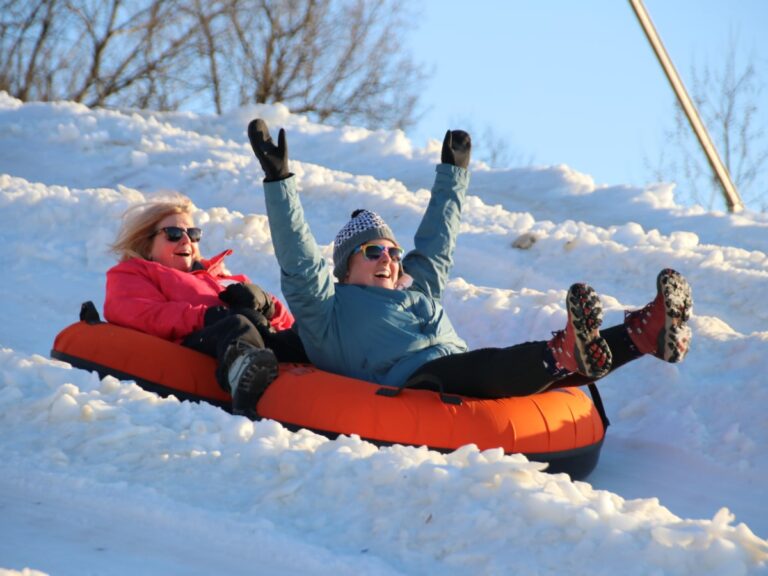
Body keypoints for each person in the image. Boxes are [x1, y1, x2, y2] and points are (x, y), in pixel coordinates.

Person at [246, 119, 693, 399]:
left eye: (393, 251)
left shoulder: (415, 289)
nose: (389, 258)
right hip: (414, 384)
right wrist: (279, 180)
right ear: (345, 268)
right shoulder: (327, 310)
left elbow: (438, 244)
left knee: (538, 371)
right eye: (373, 251)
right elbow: (301, 261)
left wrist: (453, 175)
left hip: (457, 371)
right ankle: (562, 352)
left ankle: (644, 334)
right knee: (490, 365)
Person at [104, 194, 306, 416]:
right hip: (201, 341)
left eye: (193, 234)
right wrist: (204, 317)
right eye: (173, 234)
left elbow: (287, 324)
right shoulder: (136, 272)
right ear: (147, 245)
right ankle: (246, 380)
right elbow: (138, 312)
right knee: (236, 325)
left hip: (260, 341)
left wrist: (267, 305)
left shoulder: (225, 277)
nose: (186, 240)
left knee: (304, 334)